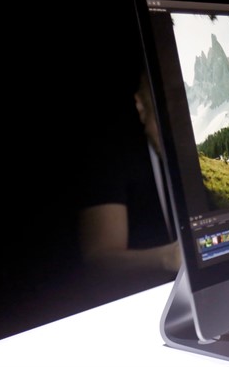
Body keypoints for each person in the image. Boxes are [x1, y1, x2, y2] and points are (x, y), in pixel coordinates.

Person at [77, 70, 181, 298]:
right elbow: (98, 260)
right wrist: (169, 257)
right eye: (165, 103)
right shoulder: (110, 156)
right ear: (141, 105)